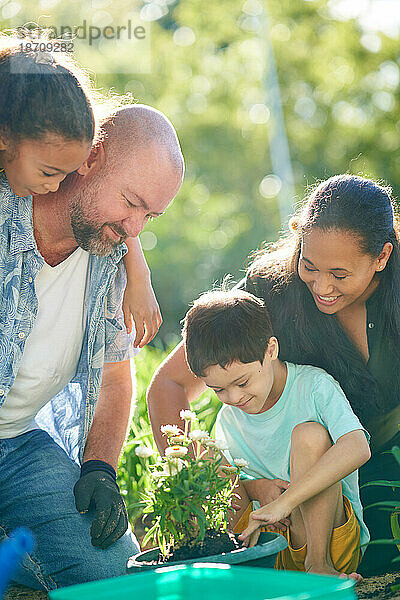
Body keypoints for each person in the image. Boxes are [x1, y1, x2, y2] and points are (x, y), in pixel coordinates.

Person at [147, 174, 400, 576]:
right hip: (295, 480)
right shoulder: (272, 291)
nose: (321, 286)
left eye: (339, 274)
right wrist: (225, 491)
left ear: (382, 257)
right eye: (309, 265)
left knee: (385, 560)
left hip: (378, 454)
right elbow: (169, 384)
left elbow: (355, 445)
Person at [0, 102, 184, 591]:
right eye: (131, 201)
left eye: (151, 214)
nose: (136, 227)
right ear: (90, 157)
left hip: (17, 445)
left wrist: (99, 467)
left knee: (118, 578)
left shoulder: (108, 256)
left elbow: (114, 376)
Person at [181, 288, 371, 579]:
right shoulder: (229, 418)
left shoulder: (314, 386)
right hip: (266, 545)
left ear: (271, 350)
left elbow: (358, 447)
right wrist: (257, 488)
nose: (233, 397)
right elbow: (236, 484)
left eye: (242, 383)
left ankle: (318, 565)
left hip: (325, 541)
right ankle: (234, 568)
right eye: (218, 390)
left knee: (310, 436)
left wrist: (286, 502)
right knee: (211, 462)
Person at [0, 36, 162, 350]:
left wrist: (139, 273)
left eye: (68, 173)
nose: (55, 186)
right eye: (49, 173)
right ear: (5, 135)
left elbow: (115, 204)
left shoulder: (44, 152)